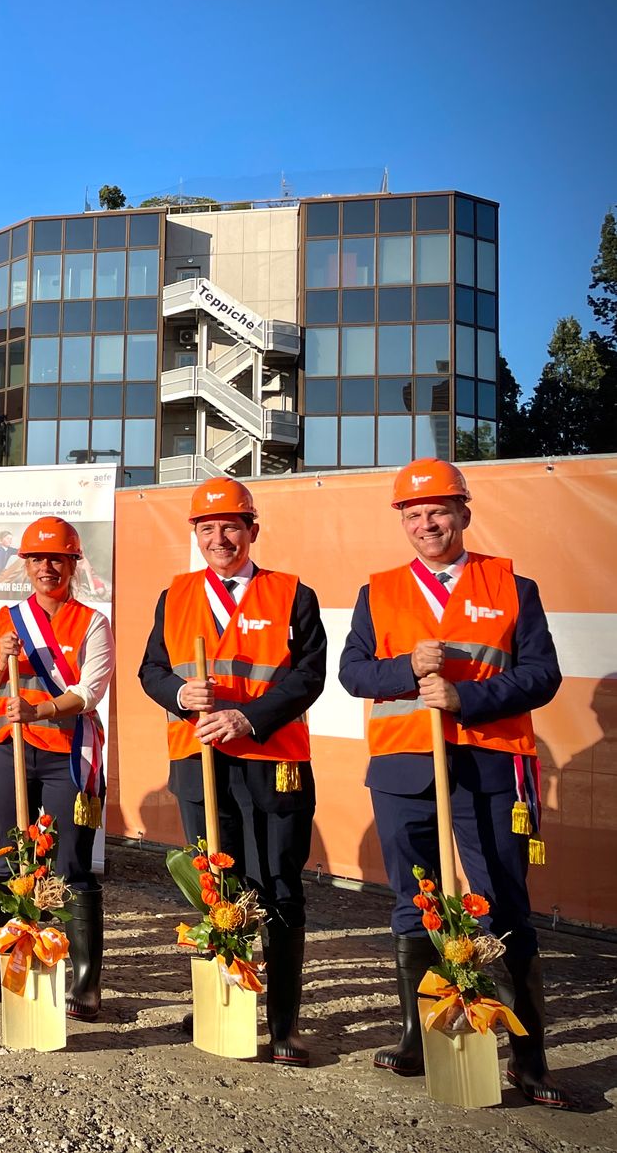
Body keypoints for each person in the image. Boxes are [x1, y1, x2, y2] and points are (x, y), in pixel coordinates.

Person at [338, 458, 566, 1107]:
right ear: (402, 523)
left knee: (500, 902)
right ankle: (418, 1037)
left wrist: (468, 699)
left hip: (489, 766)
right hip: (403, 766)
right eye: (414, 514)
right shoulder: (377, 591)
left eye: (438, 510)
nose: (427, 523)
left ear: (464, 513)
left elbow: (541, 675)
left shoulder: (512, 586)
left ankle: (529, 1059)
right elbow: (354, 674)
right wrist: (406, 669)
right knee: (415, 901)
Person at [136, 478, 326, 1065]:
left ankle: (285, 1024)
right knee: (216, 888)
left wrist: (247, 718)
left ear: (252, 530)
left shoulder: (293, 595)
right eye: (207, 528)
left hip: (272, 763)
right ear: (195, 535)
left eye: (230, 526)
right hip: (199, 762)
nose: (219, 538)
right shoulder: (176, 594)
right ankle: (221, 999)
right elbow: (151, 670)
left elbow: (308, 677)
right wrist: (179, 693)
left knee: (278, 887)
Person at [0, 517, 114, 1018]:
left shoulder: (92, 622)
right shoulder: (8, 617)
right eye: (37, 559)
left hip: (67, 758)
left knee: (71, 865)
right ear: (24, 564)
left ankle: (85, 980)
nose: (47, 567)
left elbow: (90, 691)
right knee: (10, 858)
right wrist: (0, 661)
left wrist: (40, 710)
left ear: (72, 564)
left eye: (58, 558)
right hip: (11, 751)